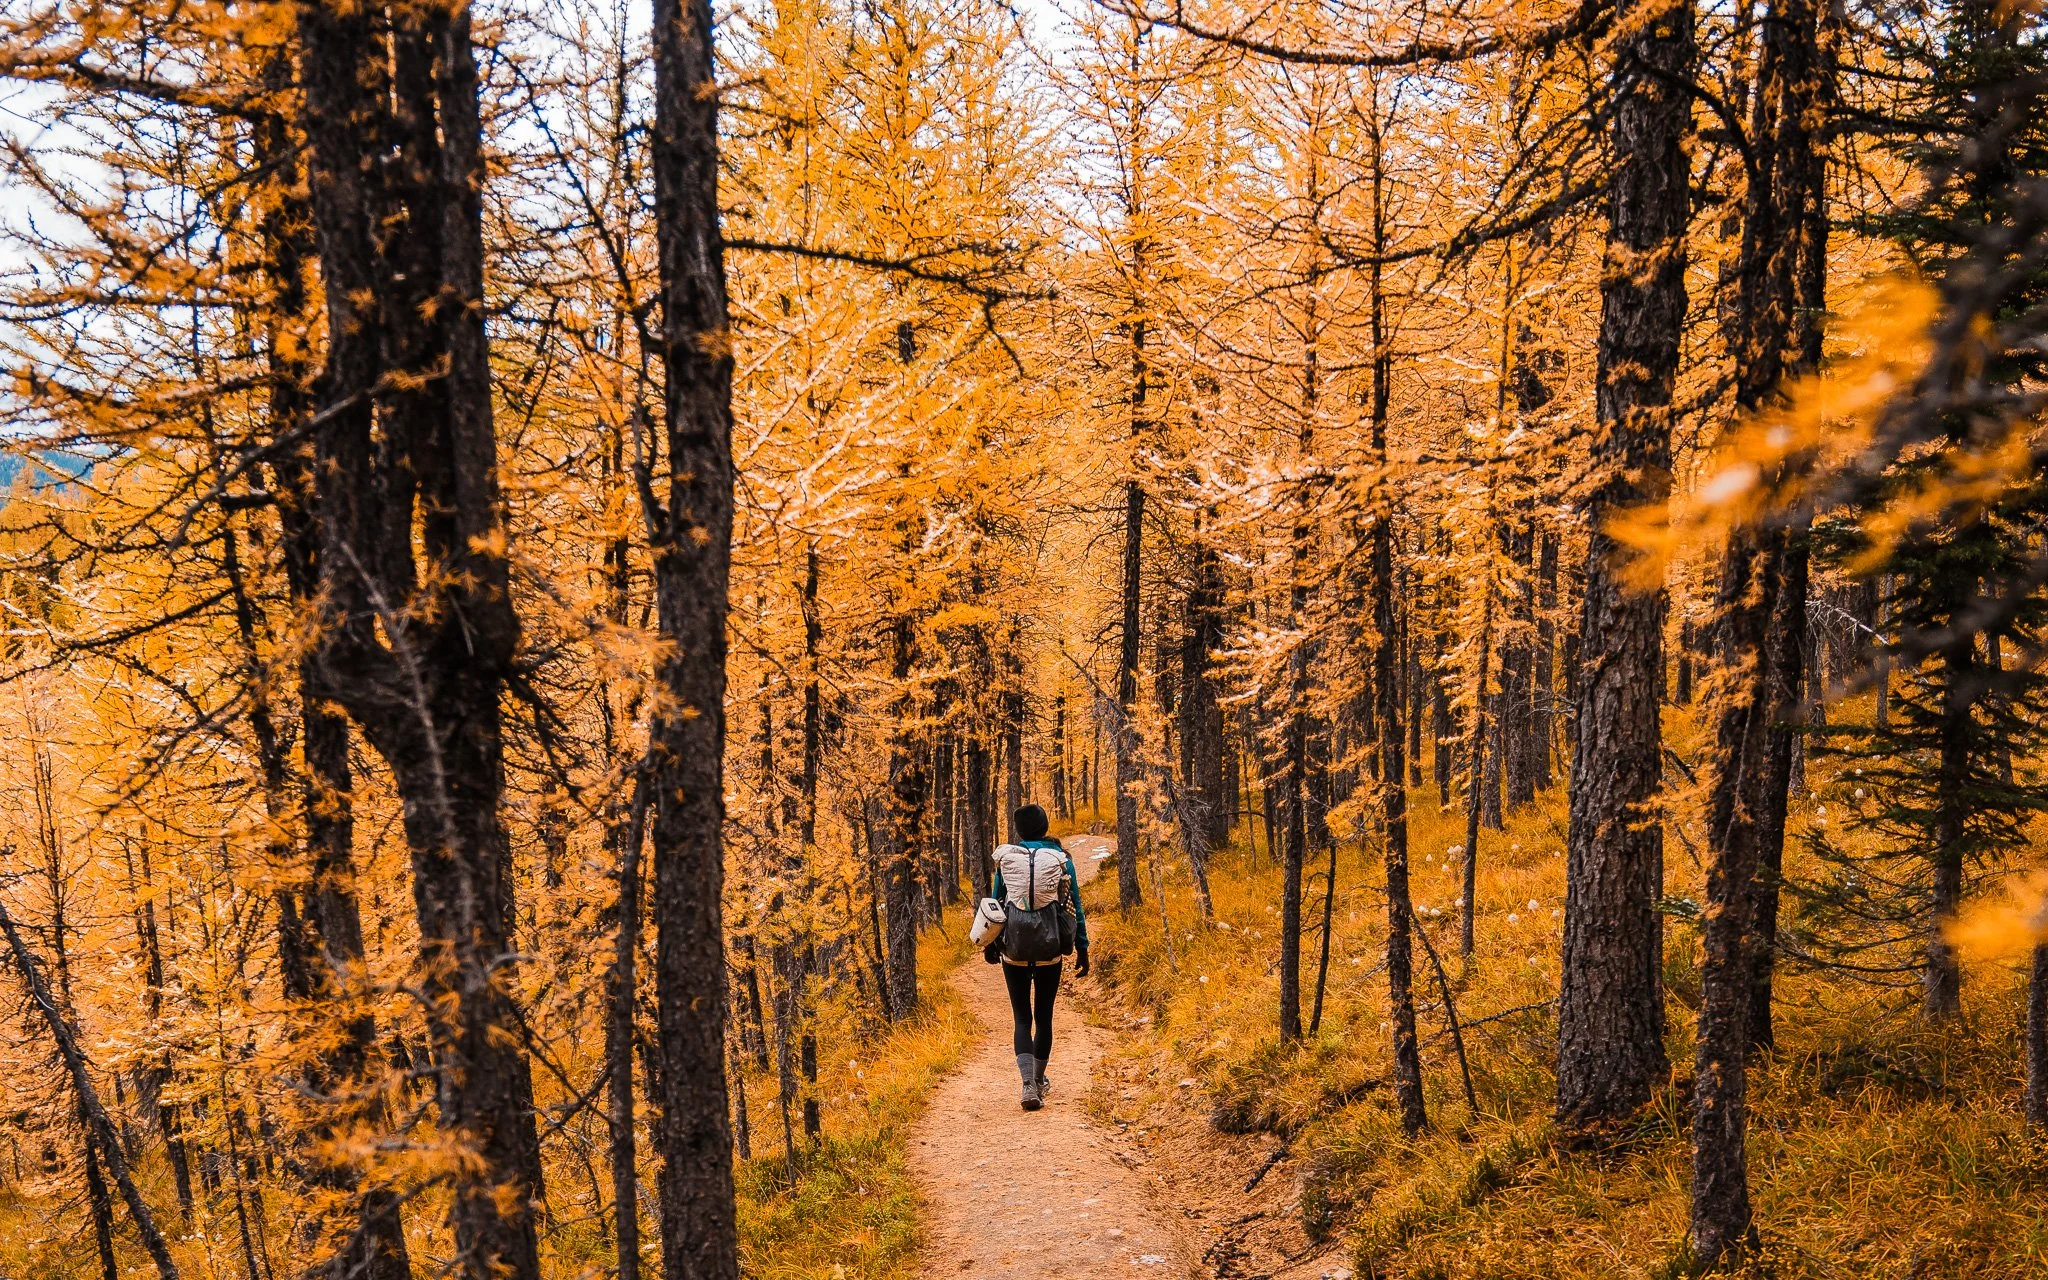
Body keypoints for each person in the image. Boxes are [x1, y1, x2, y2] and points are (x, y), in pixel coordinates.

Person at [986, 803, 1089, 1111]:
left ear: (1019, 831)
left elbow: (995, 905)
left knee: (1022, 1018)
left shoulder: (1008, 859)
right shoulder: (1060, 860)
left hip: (1015, 950)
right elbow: (1074, 908)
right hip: (1049, 949)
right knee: (1044, 1017)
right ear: (1045, 828)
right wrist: (1081, 947)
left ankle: (1027, 1083)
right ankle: (1040, 1081)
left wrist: (990, 945)